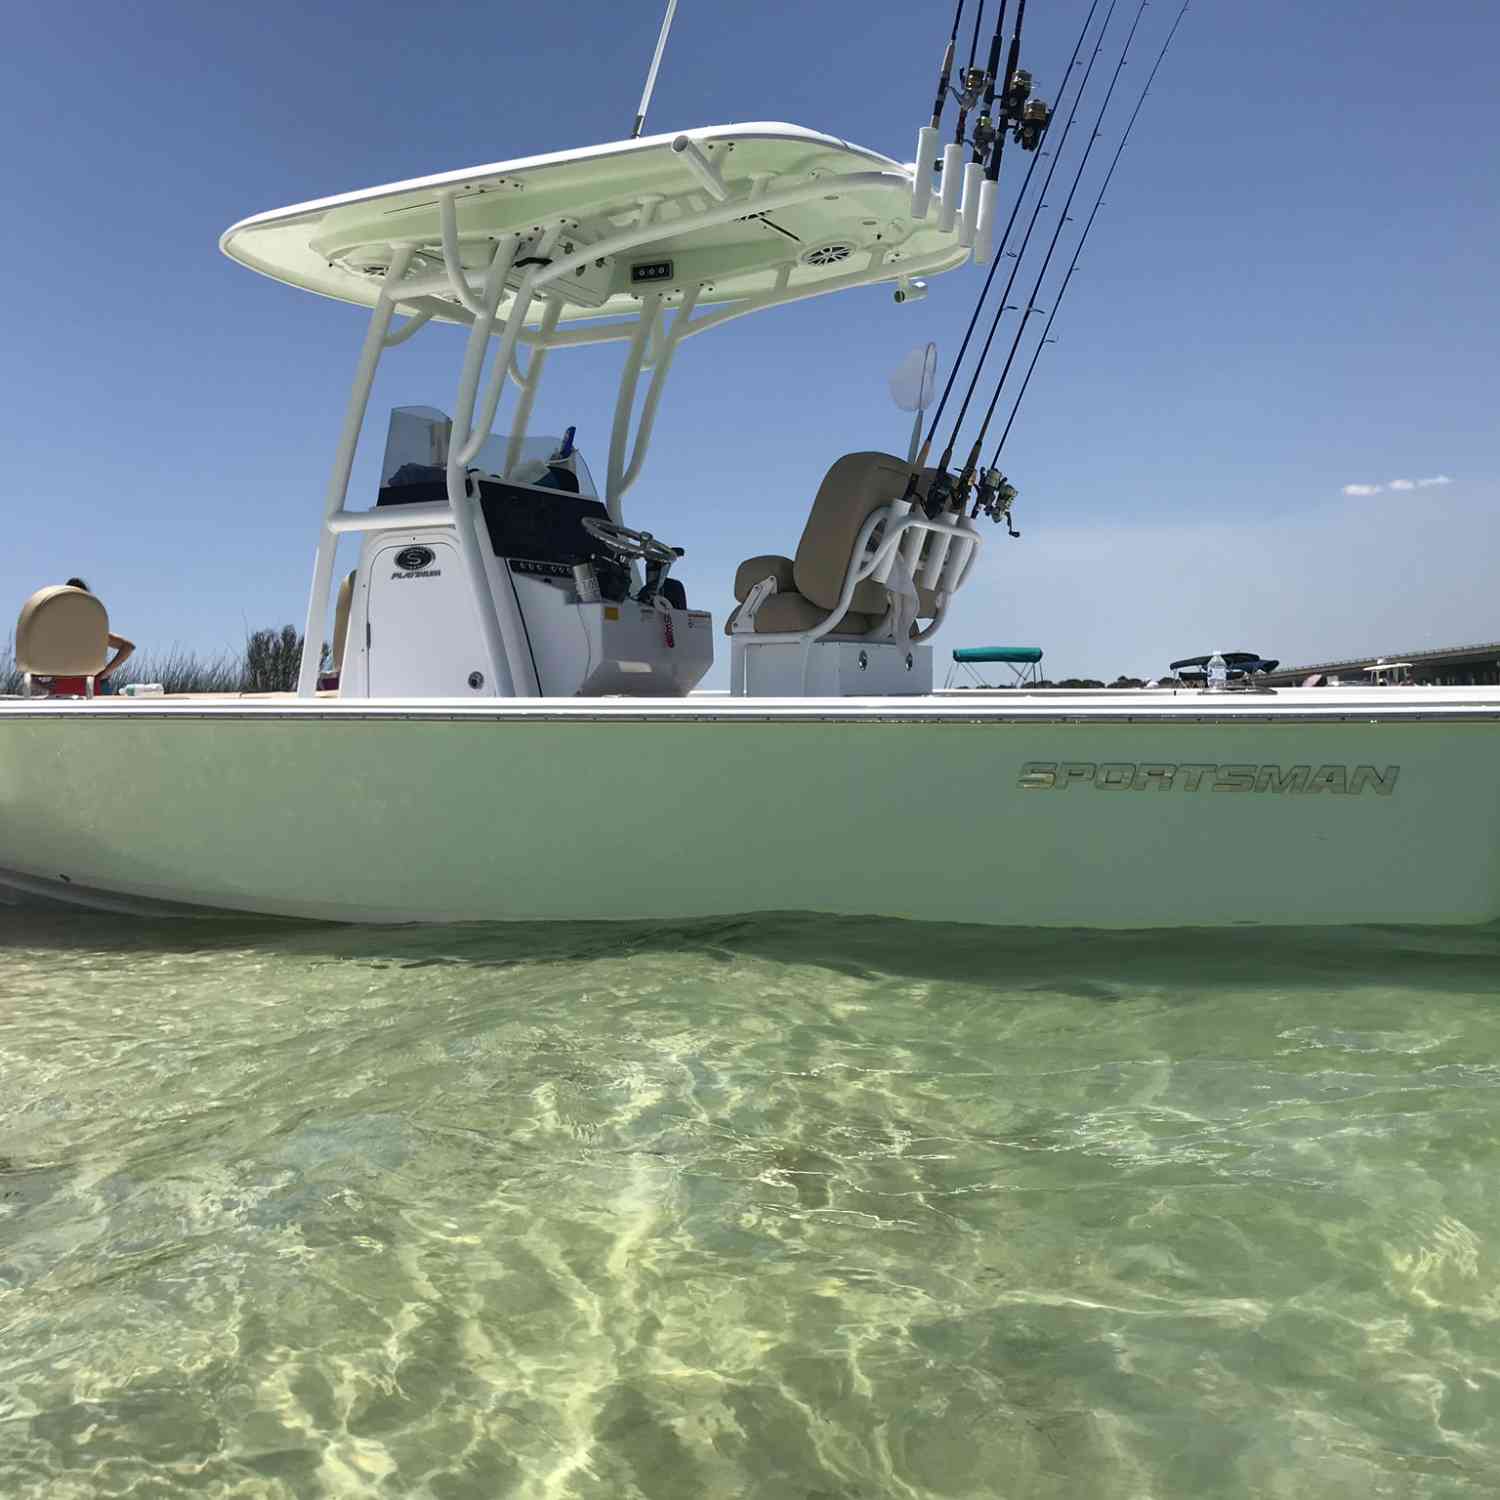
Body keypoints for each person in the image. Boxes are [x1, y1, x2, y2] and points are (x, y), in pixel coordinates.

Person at [43, 577, 135, 695]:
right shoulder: (93, 632)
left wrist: (41, 683)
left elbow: (128, 647)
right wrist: (105, 673)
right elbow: (128, 647)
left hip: (63, 690)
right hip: (93, 687)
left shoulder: (53, 633)